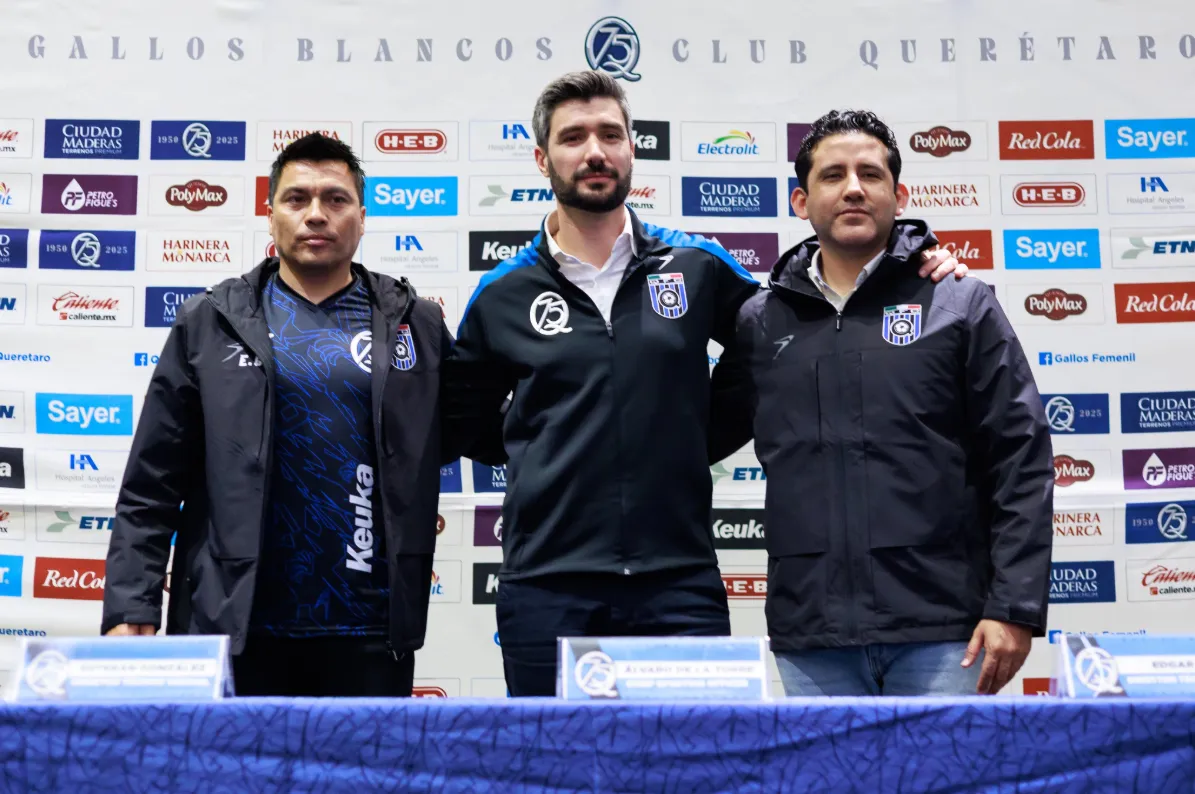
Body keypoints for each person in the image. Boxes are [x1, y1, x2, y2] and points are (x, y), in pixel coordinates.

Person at [443, 71, 967, 697]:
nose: (595, 152)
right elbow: (465, 419)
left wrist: (911, 260)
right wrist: (549, 454)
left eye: (611, 134)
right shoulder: (502, 293)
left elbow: (794, 327)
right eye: (574, 137)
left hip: (679, 583)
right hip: (546, 588)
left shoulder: (694, 265)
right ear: (542, 158)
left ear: (633, 148)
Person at [710, 110, 1054, 697]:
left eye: (870, 174)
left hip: (948, 633)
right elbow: (695, 435)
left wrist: (1015, 607)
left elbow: (1021, 458)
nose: (852, 188)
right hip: (810, 638)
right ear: (801, 200)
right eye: (832, 175)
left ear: (899, 195)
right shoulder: (760, 323)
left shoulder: (958, 304)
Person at [102, 133, 456, 697]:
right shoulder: (209, 322)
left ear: (362, 218)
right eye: (297, 199)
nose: (316, 214)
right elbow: (151, 486)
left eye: (336, 199)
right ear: (270, 217)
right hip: (232, 629)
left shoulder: (417, 324)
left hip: (369, 629)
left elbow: (476, 428)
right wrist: (131, 601)